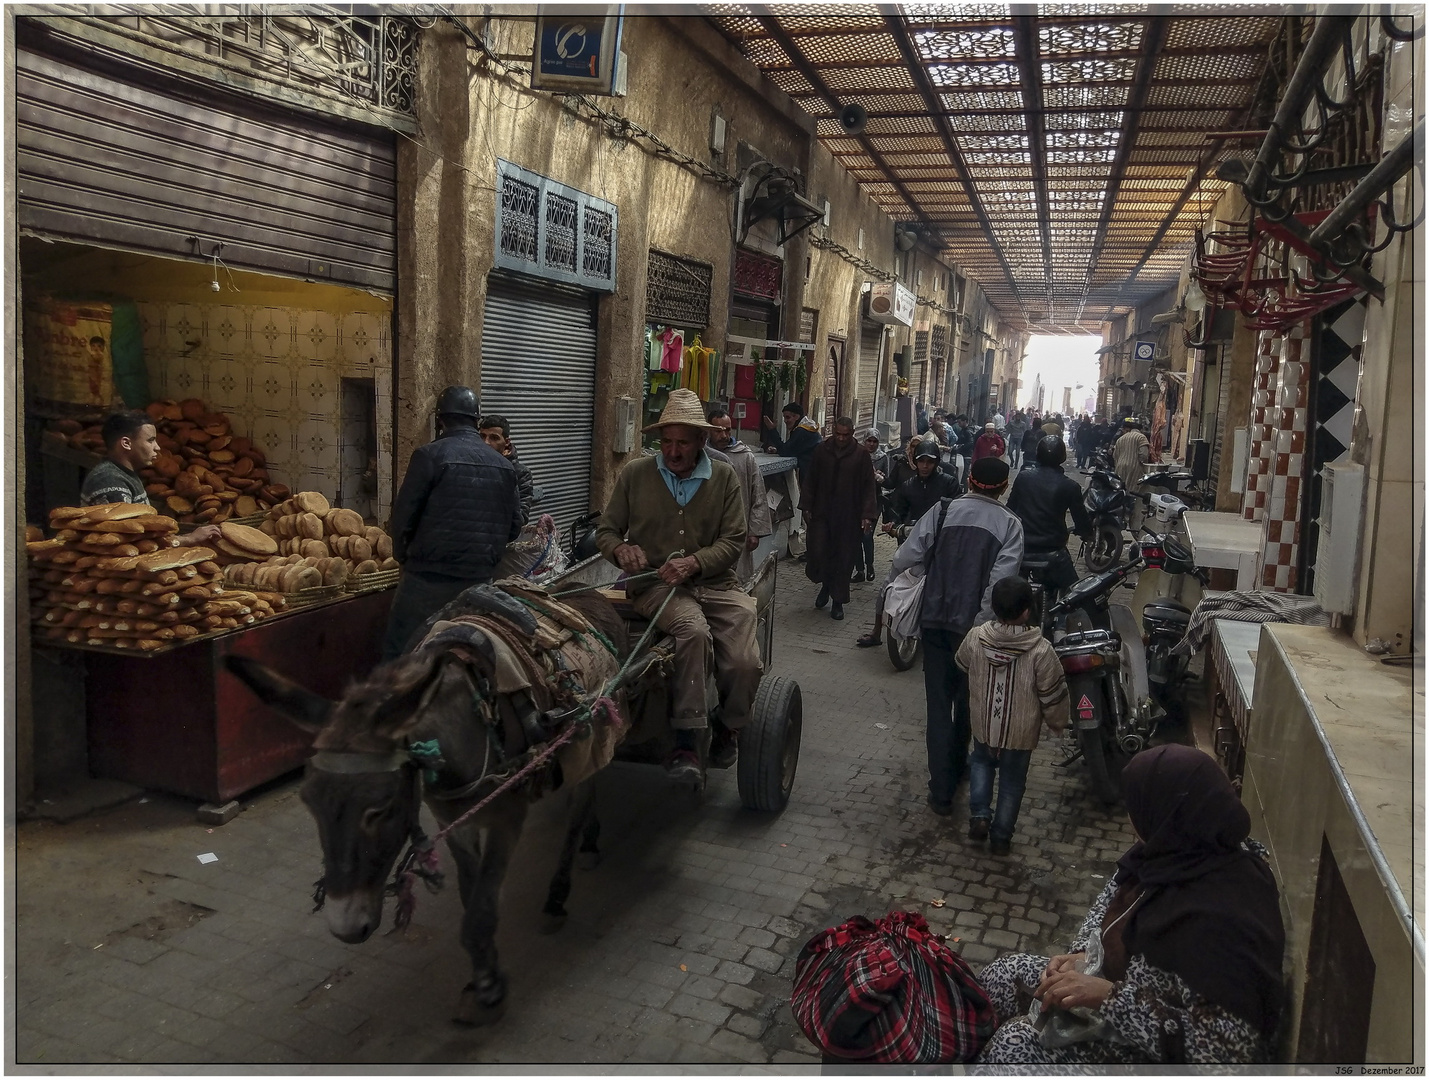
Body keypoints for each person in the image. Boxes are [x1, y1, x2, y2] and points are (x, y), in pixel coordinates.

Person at [977, 744, 1287, 1066]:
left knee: (1014, 1048)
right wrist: (1083, 953)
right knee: (1002, 976)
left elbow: (1223, 1052)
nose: (1130, 819)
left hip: (1150, 1049)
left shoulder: (1220, 917)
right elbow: (1109, 902)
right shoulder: (1173, 849)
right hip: (1116, 987)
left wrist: (1108, 997)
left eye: (1137, 806)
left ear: (1170, 813)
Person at [596, 389, 760, 786]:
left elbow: (734, 539)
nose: (673, 450)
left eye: (682, 442)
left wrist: (695, 561)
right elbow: (606, 532)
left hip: (718, 585)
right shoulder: (635, 474)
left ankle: (728, 724)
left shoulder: (723, 476)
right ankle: (686, 739)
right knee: (692, 631)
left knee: (744, 663)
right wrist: (622, 549)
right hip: (656, 586)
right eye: (666, 442)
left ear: (701, 441)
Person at [886, 457, 1023, 815]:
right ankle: (960, 768)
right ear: (1004, 487)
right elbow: (1001, 583)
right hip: (975, 630)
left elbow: (907, 556)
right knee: (968, 702)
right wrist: (981, 625)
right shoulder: (1010, 525)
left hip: (935, 622)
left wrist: (898, 583)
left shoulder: (943, 510)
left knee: (937, 705)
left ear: (970, 481)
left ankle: (940, 790)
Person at [383, 385, 523, 659]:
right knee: (469, 658)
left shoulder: (429, 456)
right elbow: (513, 528)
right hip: (479, 583)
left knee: (401, 654)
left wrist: (404, 558)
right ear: (475, 420)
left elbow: (403, 517)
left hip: (426, 581)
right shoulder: (504, 466)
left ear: (441, 420)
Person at [955, 576, 1067, 855]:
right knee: (1012, 781)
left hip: (984, 725)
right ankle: (1002, 836)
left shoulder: (976, 637)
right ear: (1028, 611)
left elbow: (961, 663)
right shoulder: (1041, 651)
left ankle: (980, 815)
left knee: (981, 763)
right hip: (1020, 731)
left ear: (994, 608)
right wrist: (1057, 722)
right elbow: (1052, 693)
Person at [855, 439, 961, 650]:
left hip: (941, 546)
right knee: (888, 587)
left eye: (929, 462)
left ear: (936, 462)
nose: (924, 466)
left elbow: (958, 511)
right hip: (911, 544)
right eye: (921, 461)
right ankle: (876, 632)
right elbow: (896, 511)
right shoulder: (907, 486)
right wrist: (893, 525)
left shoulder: (948, 482)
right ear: (914, 461)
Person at [80, 411, 222, 546]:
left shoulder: (123, 473)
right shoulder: (110, 481)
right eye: (151, 441)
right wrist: (187, 539)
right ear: (126, 443)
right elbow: (129, 542)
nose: (158, 447)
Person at [800, 416, 878, 621]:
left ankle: (838, 601)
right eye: (838, 434)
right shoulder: (821, 450)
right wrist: (806, 505)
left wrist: (867, 515)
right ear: (833, 432)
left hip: (848, 516)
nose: (841, 439)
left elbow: (869, 487)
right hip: (822, 512)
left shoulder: (861, 455)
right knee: (818, 552)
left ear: (852, 434)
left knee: (844, 558)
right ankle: (825, 585)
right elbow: (811, 479)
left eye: (845, 435)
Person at [1007, 435, 1094, 598]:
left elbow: (1010, 509)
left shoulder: (1023, 478)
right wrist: (1087, 533)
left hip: (1022, 548)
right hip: (1054, 551)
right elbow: (1081, 519)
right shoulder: (1070, 486)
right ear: (1062, 457)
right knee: (1076, 597)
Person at [708, 407, 772, 584]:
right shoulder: (701, 455)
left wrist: (755, 531)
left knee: (738, 580)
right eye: (718, 431)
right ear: (708, 430)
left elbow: (757, 493)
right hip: (709, 530)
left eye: (727, 430)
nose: (724, 435)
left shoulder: (744, 456)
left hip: (739, 528)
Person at [478, 414, 535, 525]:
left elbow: (521, 517)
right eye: (482, 436)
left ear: (507, 442)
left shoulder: (520, 473)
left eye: (494, 438)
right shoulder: (471, 464)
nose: (486, 442)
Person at [853, 429, 889, 582]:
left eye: (875, 441)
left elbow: (887, 480)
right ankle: (859, 570)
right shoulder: (857, 455)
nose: (872, 444)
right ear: (864, 440)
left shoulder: (882, 457)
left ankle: (870, 566)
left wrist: (879, 475)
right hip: (857, 500)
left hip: (875, 499)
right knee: (855, 536)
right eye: (869, 441)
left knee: (867, 535)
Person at [762, 401, 822, 487]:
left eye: (788, 417)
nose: (785, 421)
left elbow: (785, 451)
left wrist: (772, 430)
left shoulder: (801, 431)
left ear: (796, 417)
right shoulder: (808, 429)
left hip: (811, 473)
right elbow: (792, 448)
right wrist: (777, 449)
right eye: (784, 418)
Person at [1113, 417, 1151, 528]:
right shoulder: (1141, 437)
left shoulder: (1121, 438)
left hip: (1120, 467)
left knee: (1122, 491)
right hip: (1134, 467)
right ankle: (1130, 518)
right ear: (1140, 429)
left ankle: (1121, 517)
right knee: (1133, 492)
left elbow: (1115, 455)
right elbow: (1143, 455)